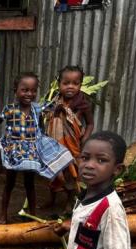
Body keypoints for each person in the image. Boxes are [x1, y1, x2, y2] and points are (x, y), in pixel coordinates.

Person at [0, 72, 73, 224]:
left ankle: (33, 214)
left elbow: (53, 105)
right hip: (13, 151)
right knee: (9, 184)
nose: (29, 94)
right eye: (24, 90)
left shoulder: (37, 109)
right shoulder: (9, 109)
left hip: (31, 153)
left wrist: (63, 89)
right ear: (15, 90)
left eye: (33, 90)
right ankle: (3, 215)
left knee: (29, 184)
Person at [45, 65, 95, 213]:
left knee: (71, 174)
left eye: (75, 83)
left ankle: (69, 202)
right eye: (66, 83)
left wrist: (84, 140)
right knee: (54, 174)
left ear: (80, 84)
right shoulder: (54, 101)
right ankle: (52, 199)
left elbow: (90, 124)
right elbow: (48, 119)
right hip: (55, 145)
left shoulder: (83, 104)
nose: (70, 87)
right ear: (59, 84)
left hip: (73, 146)